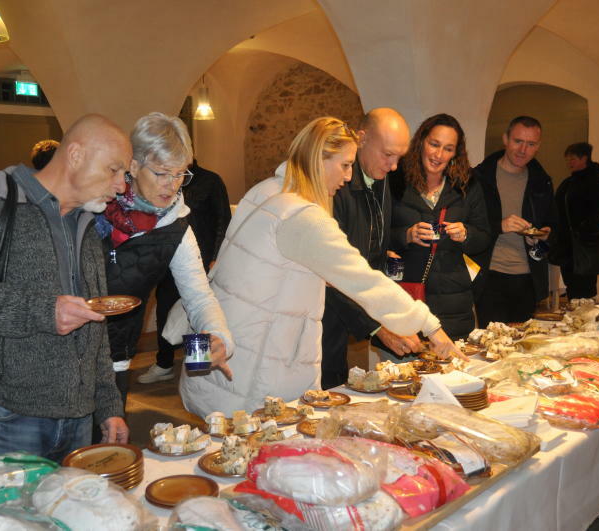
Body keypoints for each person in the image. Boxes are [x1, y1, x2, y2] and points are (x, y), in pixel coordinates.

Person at [164, 117, 462, 417]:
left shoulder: (265, 189)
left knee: (217, 444)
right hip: (252, 362)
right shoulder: (303, 216)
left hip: (221, 342)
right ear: (319, 158)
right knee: (246, 446)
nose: (348, 176)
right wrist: (430, 326)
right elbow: (363, 280)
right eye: (345, 165)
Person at [0, 114, 131, 462]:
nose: (122, 186)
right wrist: (42, 311)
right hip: (8, 413)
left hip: (79, 417)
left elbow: (97, 321)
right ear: (76, 155)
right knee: (2, 516)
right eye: (114, 170)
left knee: (62, 515)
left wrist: (108, 404)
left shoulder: (86, 223)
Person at [97, 112, 233, 400]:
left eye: (181, 173)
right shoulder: (94, 207)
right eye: (162, 173)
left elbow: (197, 296)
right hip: (62, 355)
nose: (172, 185)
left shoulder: (176, 225)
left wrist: (217, 336)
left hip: (117, 357)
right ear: (133, 165)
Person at [320, 108, 424, 389]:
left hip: (351, 311)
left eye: (399, 158)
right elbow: (334, 273)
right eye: (388, 154)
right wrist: (378, 328)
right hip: (324, 314)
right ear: (362, 139)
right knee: (322, 390)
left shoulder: (380, 176)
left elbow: (372, 247)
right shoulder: (334, 187)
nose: (393, 166)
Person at [388, 114, 491, 339]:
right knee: (402, 369)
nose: (438, 155)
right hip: (406, 297)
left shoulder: (467, 184)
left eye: (448, 148)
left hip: (453, 303)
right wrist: (405, 235)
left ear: (456, 153)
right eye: (434, 144)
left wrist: (466, 234)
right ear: (421, 141)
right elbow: (374, 236)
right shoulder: (394, 179)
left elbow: (484, 236)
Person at [138, 158, 232, 384]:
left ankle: (197, 367)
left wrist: (217, 257)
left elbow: (224, 220)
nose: (173, 183)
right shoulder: (156, 191)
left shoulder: (210, 180)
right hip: (169, 259)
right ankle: (165, 362)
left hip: (203, 259)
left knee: (193, 314)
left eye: (180, 174)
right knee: (164, 311)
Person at [473, 116, 554, 326]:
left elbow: (548, 241)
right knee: (491, 349)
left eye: (531, 144)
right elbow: (467, 228)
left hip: (528, 279)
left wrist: (540, 239)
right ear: (505, 139)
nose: (523, 150)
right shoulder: (479, 178)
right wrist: (499, 226)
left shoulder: (542, 183)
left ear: (538, 146)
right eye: (518, 141)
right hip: (489, 276)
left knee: (522, 352)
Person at [549, 142, 599, 299]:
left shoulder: (596, 182)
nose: (569, 162)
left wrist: (581, 230)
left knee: (585, 288)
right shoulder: (569, 183)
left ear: (585, 158)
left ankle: (586, 319)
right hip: (567, 246)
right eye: (568, 159)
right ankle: (574, 319)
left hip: (584, 247)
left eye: (573, 159)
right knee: (571, 286)